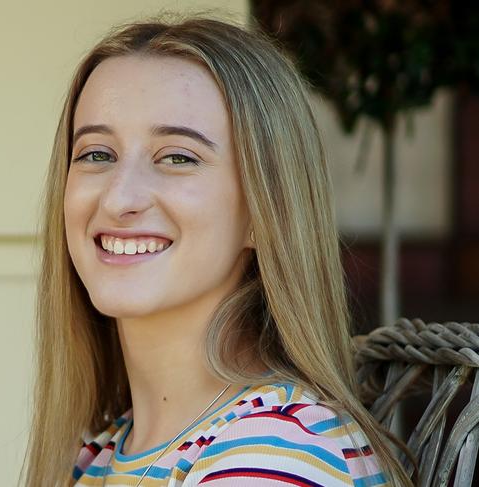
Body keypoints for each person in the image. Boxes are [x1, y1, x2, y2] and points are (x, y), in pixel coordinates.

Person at [22, 14, 414, 487]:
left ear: (262, 212)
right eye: (97, 154)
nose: (119, 198)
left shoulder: (274, 458)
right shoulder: (102, 455)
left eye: (177, 157)